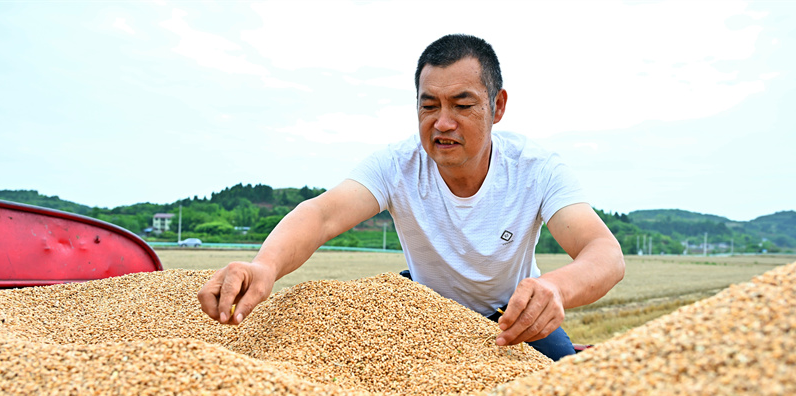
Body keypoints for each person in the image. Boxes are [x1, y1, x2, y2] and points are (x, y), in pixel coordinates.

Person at [198, 34, 624, 362]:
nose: (443, 123)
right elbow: (322, 215)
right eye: (429, 105)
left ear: (497, 107)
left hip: (513, 316)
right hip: (424, 314)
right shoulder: (397, 164)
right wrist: (264, 265)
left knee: (561, 383)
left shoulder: (536, 169)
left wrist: (554, 289)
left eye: (462, 105)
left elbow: (604, 253)